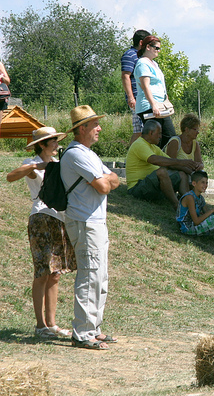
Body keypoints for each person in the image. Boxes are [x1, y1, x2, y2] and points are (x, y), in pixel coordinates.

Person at [6, 127, 76, 339]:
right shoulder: (32, 163)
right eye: (52, 141)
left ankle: (51, 324)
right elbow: (10, 177)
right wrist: (36, 166)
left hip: (59, 219)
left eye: (56, 140)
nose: (56, 144)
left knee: (55, 274)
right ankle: (40, 325)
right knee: (42, 273)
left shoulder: (59, 164)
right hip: (41, 217)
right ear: (42, 145)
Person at [60, 105, 120, 350]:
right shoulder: (77, 154)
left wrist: (104, 179)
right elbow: (106, 186)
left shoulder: (88, 154)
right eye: (94, 124)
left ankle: (93, 328)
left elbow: (114, 178)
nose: (99, 128)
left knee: (99, 276)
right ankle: (83, 332)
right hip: (85, 222)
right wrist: (104, 180)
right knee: (89, 275)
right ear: (81, 128)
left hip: (94, 222)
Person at [126, 120, 199, 210]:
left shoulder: (153, 147)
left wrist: (192, 173)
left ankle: (189, 203)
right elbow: (154, 160)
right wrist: (180, 162)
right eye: (159, 133)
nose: (161, 136)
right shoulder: (139, 144)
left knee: (182, 174)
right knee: (161, 172)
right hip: (138, 188)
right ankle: (177, 205)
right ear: (151, 133)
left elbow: (170, 161)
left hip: (151, 187)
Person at [133, 35, 176, 149]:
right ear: (148, 47)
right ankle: (153, 163)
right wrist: (153, 105)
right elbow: (145, 86)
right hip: (149, 106)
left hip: (159, 105)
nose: (158, 51)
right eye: (156, 48)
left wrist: (165, 99)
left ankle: (163, 164)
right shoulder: (143, 63)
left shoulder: (154, 64)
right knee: (161, 138)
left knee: (166, 138)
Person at [121, 29, 151, 146]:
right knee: (142, 129)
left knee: (139, 130)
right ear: (141, 43)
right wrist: (131, 97)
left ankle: (131, 158)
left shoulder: (141, 57)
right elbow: (125, 76)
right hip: (136, 97)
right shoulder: (130, 55)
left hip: (142, 97)